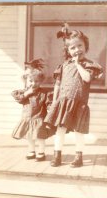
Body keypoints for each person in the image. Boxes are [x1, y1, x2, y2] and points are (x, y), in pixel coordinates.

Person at [44, 27, 103, 167]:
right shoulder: (64, 66)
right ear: (68, 51)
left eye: (79, 46)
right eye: (72, 48)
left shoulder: (89, 65)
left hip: (79, 103)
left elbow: (87, 78)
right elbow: (57, 84)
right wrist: (54, 102)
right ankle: (57, 155)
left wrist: (77, 64)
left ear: (85, 46)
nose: (77, 50)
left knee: (79, 131)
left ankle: (78, 157)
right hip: (63, 103)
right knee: (60, 129)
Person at [12, 59, 53, 161]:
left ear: (41, 81)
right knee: (29, 136)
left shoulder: (44, 93)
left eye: (36, 81)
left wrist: (50, 109)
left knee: (40, 136)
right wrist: (27, 93)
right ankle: (31, 151)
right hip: (27, 118)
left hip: (39, 118)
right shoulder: (24, 92)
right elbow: (19, 99)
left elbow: (49, 104)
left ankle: (41, 152)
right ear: (27, 81)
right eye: (31, 81)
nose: (33, 83)